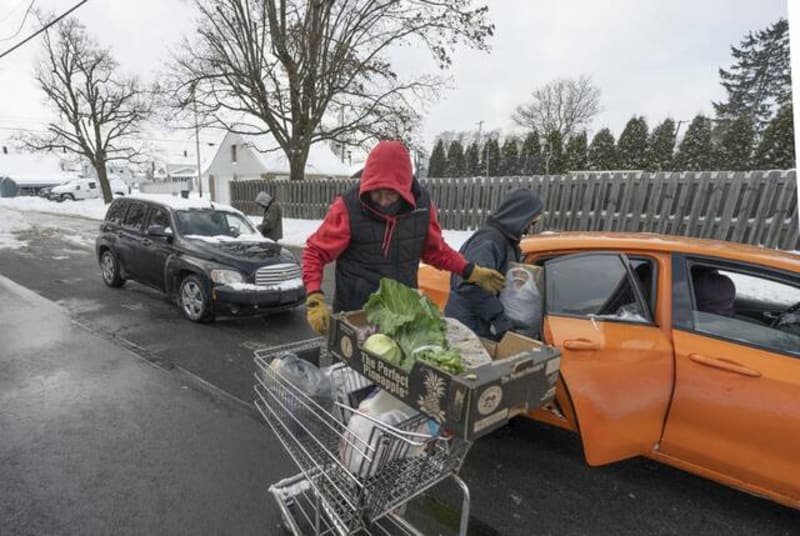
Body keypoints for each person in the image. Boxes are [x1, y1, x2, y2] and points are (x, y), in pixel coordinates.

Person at [302, 140, 506, 335]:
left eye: (390, 194)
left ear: (405, 187)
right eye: (376, 193)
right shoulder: (349, 207)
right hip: (356, 313)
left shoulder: (422, 206)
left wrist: (470, 271)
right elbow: (315, 251)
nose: (382, 201)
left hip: (402, 313)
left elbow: (435, 250)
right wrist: (314, 298)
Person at [444, 189, 544, 340]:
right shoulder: (488, 241)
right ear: (520, 217)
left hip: (480, 322)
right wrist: (498, 317)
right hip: (468, 325)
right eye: (531, 222)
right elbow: (471, 286)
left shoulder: (506, 240)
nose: (529, 228)